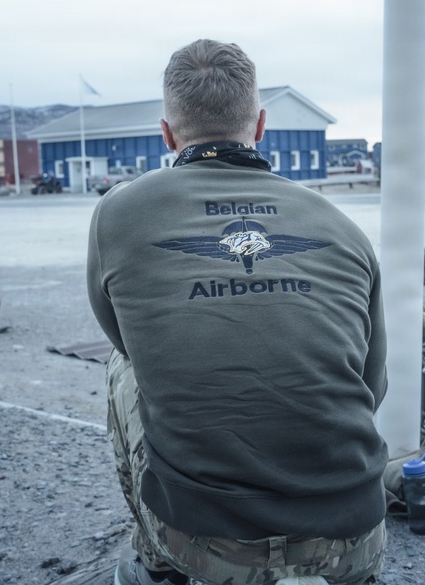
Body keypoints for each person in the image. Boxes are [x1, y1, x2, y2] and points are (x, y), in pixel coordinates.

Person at [87, 39, 388, 585]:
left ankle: (158, 564)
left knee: (123, 363)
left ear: (168, 133)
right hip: (354, 534)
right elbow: (373, 383)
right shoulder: (340, 223)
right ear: (261, 124)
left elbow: (125, 336)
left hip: (208, 543)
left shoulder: (119, 212)